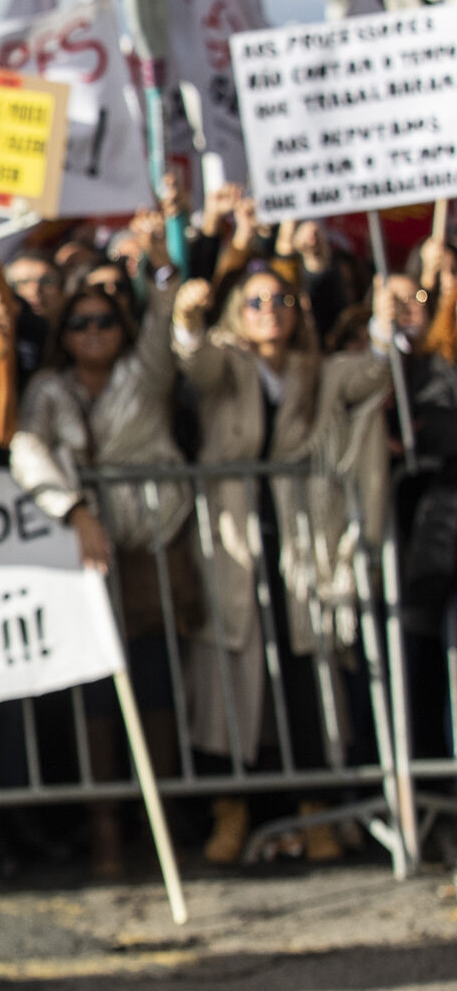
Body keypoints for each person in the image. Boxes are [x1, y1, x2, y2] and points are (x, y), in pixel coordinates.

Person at [173, 265, 390, 864]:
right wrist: (188, 318)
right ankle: (231, 813)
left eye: (282, 299)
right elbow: (195, 363)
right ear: (238, 310)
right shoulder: (227, 361)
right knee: (228, 682)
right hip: (233, 537)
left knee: (304, 673)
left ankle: (313, 812)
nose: (270, 308)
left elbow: (373, 373)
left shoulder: (313, 370)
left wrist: (386, 322)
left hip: (298, 537)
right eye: (256, 299)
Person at [10, 219, 191, 877]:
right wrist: (75, 508)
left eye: (105, 321)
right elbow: (25, 449)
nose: (93, 331)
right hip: (83, 557)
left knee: (156, 686)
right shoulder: (49, 390)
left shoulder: (145, 376)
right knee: (93, 695)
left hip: (152, 547)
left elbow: (167, 320)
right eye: (80, 322)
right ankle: (106, 826)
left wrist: (164, 267)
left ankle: (161, 826)